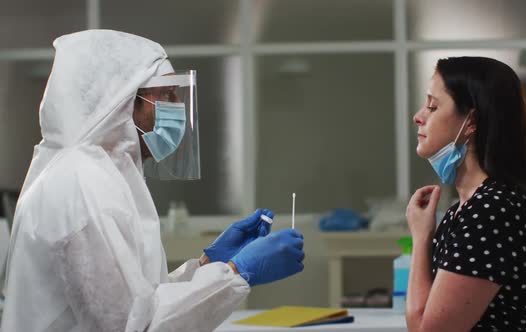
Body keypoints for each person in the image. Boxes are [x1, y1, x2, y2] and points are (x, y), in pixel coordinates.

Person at [0, 30, 304, 332]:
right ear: (123, 101)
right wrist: (237, 272)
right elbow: (132, 326)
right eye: (167, 95)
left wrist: (207, 265)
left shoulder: (96, 174)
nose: (178, 107)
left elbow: (136, 302)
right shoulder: (81, 184)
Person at [405, 56, 526, 331]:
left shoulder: (492, 211)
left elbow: (428, 329)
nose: (418, 116)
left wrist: (421, 239)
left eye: (433, 106)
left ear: (471, 121)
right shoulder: (467, 208)